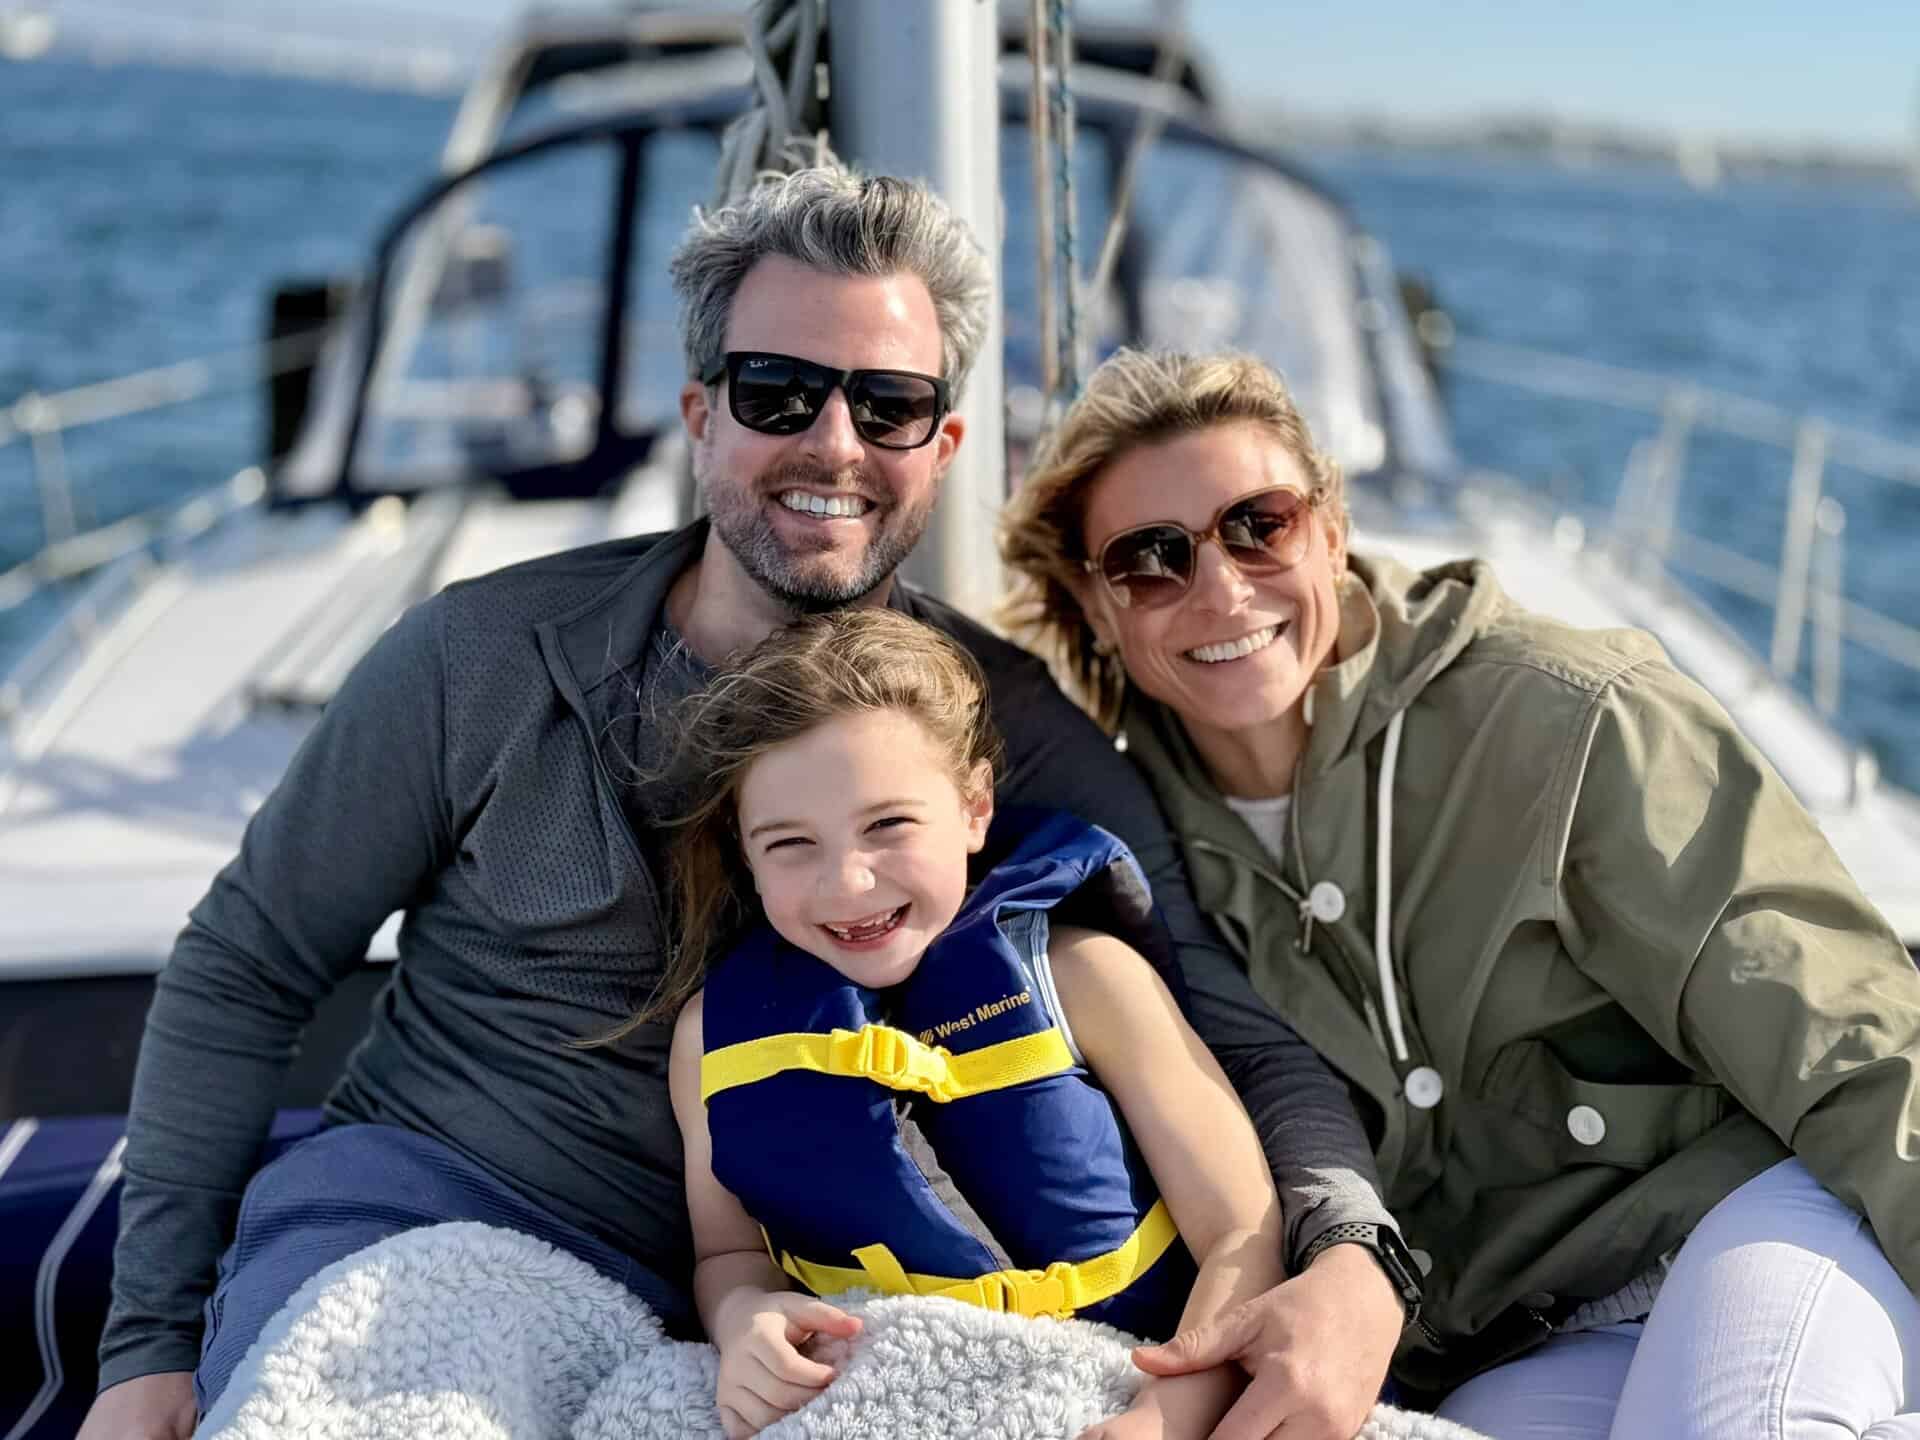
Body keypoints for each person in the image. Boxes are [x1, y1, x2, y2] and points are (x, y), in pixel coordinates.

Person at [81, 173, 1409, 1440]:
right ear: (702, 414)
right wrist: (148, 1348)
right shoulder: (474, 660)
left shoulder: (1005, 730)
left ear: (944, 445)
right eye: (778, 392)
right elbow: (248, 965)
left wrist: (1353, 1257)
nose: (834, 444)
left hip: (806, 1325)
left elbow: (1232, 1028)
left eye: (889, 405)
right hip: (440, 1223)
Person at [997, 345, 1920, 1439]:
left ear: (1330, 528)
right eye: (1152, 559)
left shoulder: (1570, 717)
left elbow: (1854, 1044)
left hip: (1755, 1214)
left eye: (1260, 524)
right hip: (1525, 1341)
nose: (1222, 588)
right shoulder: (1133, 851)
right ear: (1095, 602)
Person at [639, 607, 1285, 1439]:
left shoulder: (1088, 977)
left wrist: (1167, 1418)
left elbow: (1241, 1231)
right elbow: (730, 1255)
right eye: (791, 843)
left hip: (1131, 1391)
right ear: (745, 851)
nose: (849, 883)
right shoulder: (711, 1040)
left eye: (887, 825)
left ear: (975, 807)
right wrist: (743, 1319)